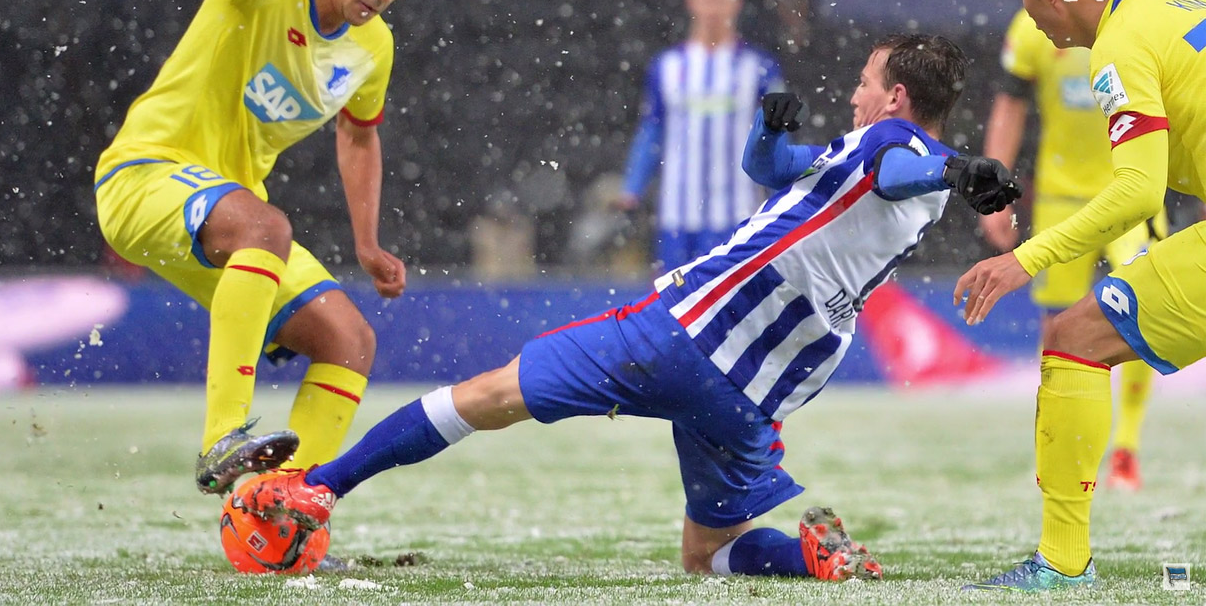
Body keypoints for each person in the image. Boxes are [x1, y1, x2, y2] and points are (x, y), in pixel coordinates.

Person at [244, 35, 1022, 580]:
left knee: (489, 394)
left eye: (863, 80)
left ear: (894, 95)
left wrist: (961, 169)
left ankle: (319, 486)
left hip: (686, 333)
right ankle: (807, 560)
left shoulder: (895, 148)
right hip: (754, 392)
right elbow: (779, 165)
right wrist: (767, 131)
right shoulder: (898, 185)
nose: (853, 93)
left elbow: (898, 161)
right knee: (709, 551)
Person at [93, 0, 431, 495]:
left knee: (349, 341)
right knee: (266, 226)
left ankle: (277, 504)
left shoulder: (373, 47)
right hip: (144, 174)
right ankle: (222, 437)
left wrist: (368, 243)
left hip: (227, 215)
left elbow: (358, 137)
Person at [957, 0, 1206, 592]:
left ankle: (1063, 562)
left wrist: (1021, 259)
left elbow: (1138, 192)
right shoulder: (1176, 11)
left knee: (1073, 336)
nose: (1029, 15)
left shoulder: (1120, 48)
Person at [981, 9, 1164, 492]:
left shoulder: (1133, 23)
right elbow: (1010, 105)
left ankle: (1125, 448)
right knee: (1057, 329)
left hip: (1133, 190)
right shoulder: (1031, 27)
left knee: (1143, 307)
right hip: (1063, 196)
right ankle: (1060, 453)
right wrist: (992, 194)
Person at [616, 0, 787, 271]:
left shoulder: (760, 67)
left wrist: (784, 192)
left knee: (731, 309)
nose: (713, 7)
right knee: (673, 307)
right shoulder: (665, 66)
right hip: (677, 217)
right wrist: (633, 187)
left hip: (737, 213)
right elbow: (652, 130)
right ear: (691, 2)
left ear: (736, 3)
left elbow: (777, 135)